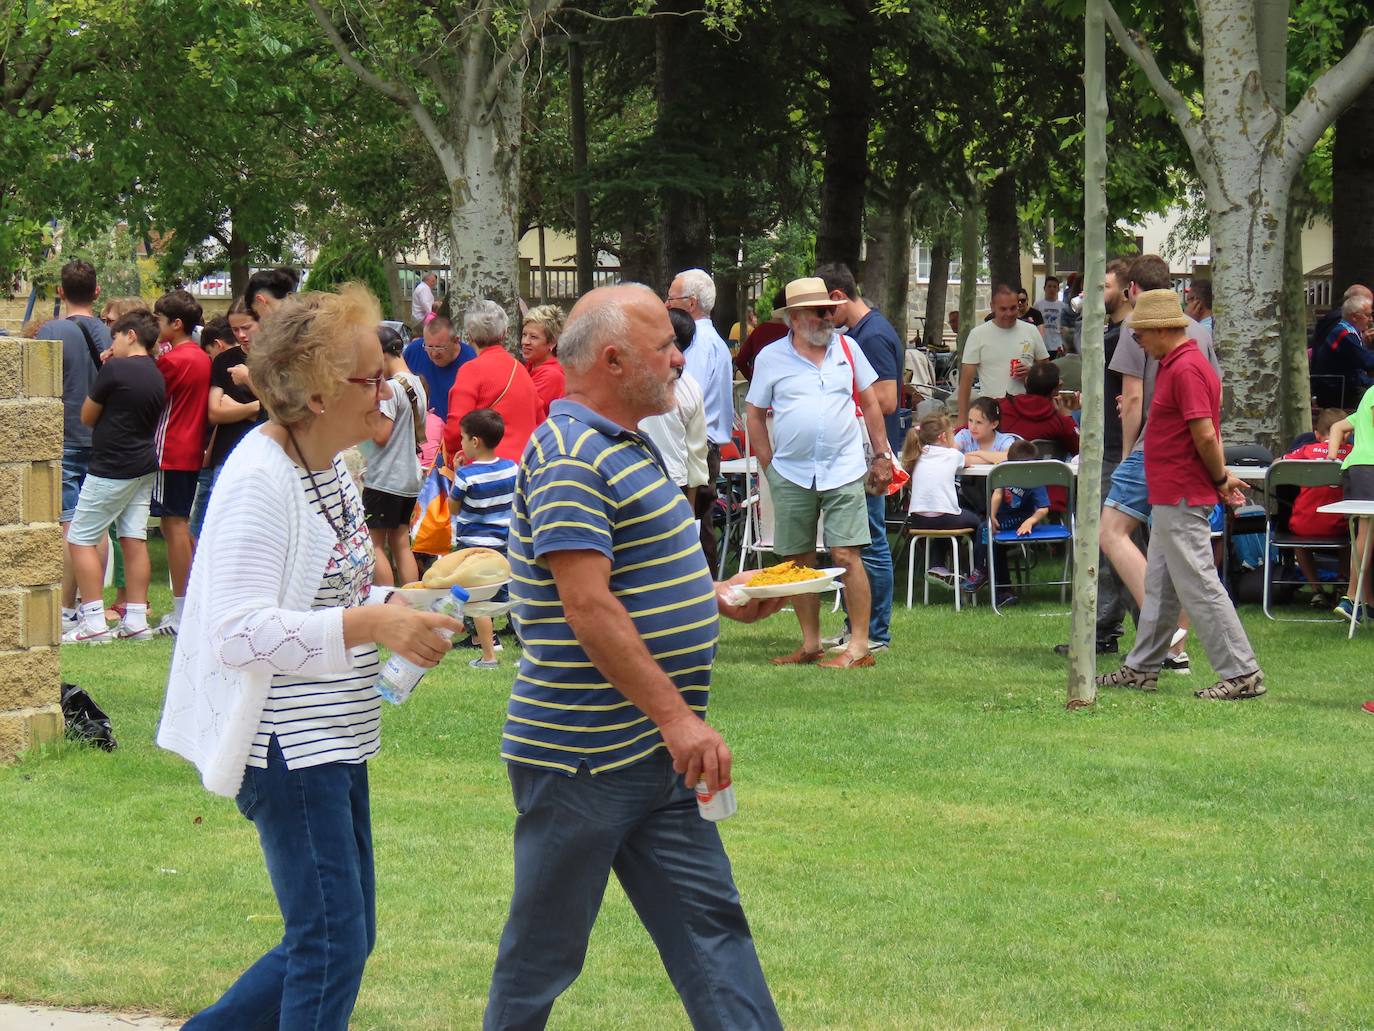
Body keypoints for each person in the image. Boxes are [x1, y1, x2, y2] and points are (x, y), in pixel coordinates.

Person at [157, 284, 464, 1031]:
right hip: (285, 746)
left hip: (334, 735)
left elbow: (334, 594)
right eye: (371, 376)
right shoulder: (261, 481)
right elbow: (237, 631)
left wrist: (399, 614)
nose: (388, 387)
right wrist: (370, 622)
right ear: (320, 394)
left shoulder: (329, 465)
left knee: (340, 938)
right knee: (330, 941)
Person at [484, 282, 785, 1030]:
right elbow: (587, 607)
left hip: (651, 755)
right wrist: (680, 719)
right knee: (543, 954)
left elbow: (626, 580)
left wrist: (715, 593)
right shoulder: (568, 454)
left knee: (712, 931)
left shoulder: (622, 442)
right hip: (583, 757)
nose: (681, 357)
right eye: (665, 347)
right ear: (615, 360)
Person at [1095, 289, 1265, 701]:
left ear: (1160, 329)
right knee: (1161, 587)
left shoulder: (1186, 368)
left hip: (1182, 491)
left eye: (1140, 334)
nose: (1136, 341)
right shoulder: (1178, 364)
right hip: (1171, 491)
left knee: (1199, 584)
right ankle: (1141, 667)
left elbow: (1205, 433)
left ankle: (1242, 672)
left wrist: (1220, 477)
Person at [745, 276, 893, 669]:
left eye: (830, 309)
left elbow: (872, 403)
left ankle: (859, 646)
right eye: (819, 311)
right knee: (798, 562)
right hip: (790, 472)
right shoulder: (771, 358)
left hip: (843, 469)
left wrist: (881, 455)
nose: (829, 316)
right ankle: (811, 644)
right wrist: (770, 467)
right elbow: (755, 416)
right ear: (795, 317)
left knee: (848, 554)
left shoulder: (849, 347)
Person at [1099, 254, 1218, 673]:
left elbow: (1133, 399)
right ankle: (1171, 648)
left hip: (1155, 446)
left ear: (1133, 289)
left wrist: (1129, 451)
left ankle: (1165, 634)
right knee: (1172, 551)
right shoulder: (1196, 331)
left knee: (1111, 531)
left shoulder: (1142, 328)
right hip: (1189, 451)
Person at [62, 310, 165, 645]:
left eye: (116, 337)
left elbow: (88, 416)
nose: (112, 344)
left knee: (80, 538)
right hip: (144, 464)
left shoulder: (116, 369)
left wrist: (107, 369)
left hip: (112, 465)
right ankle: (135, 619)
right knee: (133, 537)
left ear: (130, 335)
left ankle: (93, 622)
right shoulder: (155, 371)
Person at [817, 261, 904, 654]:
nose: (821, 317)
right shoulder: (863, 332)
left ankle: (875, 634)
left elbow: (885, 400)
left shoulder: (871, 337)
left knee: (870, 544)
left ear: (837, 297)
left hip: (869, 456)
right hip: (862, 454)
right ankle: (859, 627)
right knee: (859, 541)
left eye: (823, 308)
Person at [41, 260, 113, 632]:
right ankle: (91, 605)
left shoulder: (50, 332)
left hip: (64, 434)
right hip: (101, 437)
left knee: (70, 523)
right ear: (97, 292)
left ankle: (69, 608)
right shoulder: (112, 335)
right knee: (95, 525)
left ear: (60, 291)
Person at [666, 268, 735, 571]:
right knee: (700, 522)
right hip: (705, 445)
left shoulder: (695, 344)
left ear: (690, 303)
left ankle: (700, 589)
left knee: (693, 524)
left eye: (671, 299)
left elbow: (682, 397)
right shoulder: (714, 340)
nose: (666, 305)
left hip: (694, 446)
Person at [151, 288, 211, 636]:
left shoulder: (173, 361)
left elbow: (154, 399)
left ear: (176, 323)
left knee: (172, 527)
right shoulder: (201, 357)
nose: (155, 325)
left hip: (170, 449)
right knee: (178, 527)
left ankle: (181, 610)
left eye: (159, 319)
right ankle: (190, 605)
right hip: (190, 449)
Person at [193, 298, 266, 542]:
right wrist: (255, 408)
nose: (242, 335)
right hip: (227, 452)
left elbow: (280, 409)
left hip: (263, 455)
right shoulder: (224, 361)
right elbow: (214, 412)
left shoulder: (273, 360)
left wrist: (248, 380)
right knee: (217, 527)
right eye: (236, 330)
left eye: (247, 327)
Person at [449, 408, 517, 670]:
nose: (462, 443)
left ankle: (488, 655)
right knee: (511, 596)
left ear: (475, 442)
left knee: (479, 601)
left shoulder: (467, 476)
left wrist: (456, 474)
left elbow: (453, 508)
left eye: (463, 438)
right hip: (505, 544)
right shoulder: (512, 467)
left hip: (475, 548)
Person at [361, 325, 427, 587]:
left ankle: (387, 602)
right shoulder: (417, 384)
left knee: (374, 544)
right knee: (401, 543)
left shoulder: (391, 388)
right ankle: (410, 602)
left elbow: (381, 435)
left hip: (385, 477)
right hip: (409, 478)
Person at [443, 300, 541, 461]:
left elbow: (455, 431)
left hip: (486, 469)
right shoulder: (520, 369)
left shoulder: (470, 370)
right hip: (524, 466)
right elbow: (539, 419)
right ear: (504, 333)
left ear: (469, 335)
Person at [959, 440, 1051, 606]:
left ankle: (982, 570)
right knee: (989, 534)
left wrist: (1030, 521)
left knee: (984, 530)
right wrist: (991, 516)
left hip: (1022, 519)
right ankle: (1003, 591)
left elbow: (1043, 508)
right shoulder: (1005, 470)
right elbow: (998, 494)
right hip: (1003, 518)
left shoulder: (1034, 478)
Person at [1280, 407, 1352, 608]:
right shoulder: (1352, 452)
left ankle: (1316, 589)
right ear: (1347, 433)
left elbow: (1278, 465)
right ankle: (1342, 582)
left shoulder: (1306, 451)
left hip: (1305, 525)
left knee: (1299, 539)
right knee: (1354, 533)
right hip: (1340, 526)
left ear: (1317, 435)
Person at [638, 307, 710, 509]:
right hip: (675, 482)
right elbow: (696, 452)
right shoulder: (691, 387)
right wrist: (690, 511)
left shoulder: (633, 374)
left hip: (636, 479)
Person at [957, 283, 1050, 427]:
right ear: (992, 306)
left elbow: (1047, 370)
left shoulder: (1031, 330)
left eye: (1013, 308)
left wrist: (1031, 373)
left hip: (1026, 411)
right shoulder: (978, 334)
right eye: (1003, 309)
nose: (1009, 313)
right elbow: (965, 381)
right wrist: (962, 418)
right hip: (991, 412)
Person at [901, 413, 979, 585]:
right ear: (943, 437)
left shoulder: (917, 454)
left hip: (918, 519)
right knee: (977, 522)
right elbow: (967, 461)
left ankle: (937, 566)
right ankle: (979, 569)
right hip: (946, 517)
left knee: (947, 525)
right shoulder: (952, 454)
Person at [1328, 397, 1374, 624]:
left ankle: (1367, 603)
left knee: (1366, 535)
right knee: (1367, 533)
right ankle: (1352, 598)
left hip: (1359, 467)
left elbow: (1337, 427)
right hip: (1370, 466)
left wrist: (1331, 458)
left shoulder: (1367, 399)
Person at [402, 315, 475, 425]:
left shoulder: (470, 361)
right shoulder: (414, 351)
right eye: (429, 347)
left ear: (456, 341)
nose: (434, 353)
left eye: (440, 347)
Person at [998, 361, 1080, 455]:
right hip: (1043, 467)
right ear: (1055, 390)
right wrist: (1068, 416)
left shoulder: (1001, 405)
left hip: (1004, 465)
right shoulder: (1059, 420)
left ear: (1026, 381)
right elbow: (1078, 449)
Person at [1309, 292, 1374, 410]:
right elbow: (1367, 362)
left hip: (1346, 383)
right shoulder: (1344, 334)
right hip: (1338, 389)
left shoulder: (1346, 330)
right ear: (1354, 317)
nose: (1371, 319)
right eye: (1368, 315)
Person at [520, 303, 565, 415]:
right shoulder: (530, 366)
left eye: (533, 337)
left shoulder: (551, 376)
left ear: (552, 343)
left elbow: (523, 410)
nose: (525, 342)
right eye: (524, 335)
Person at [734, 288, 789, 381]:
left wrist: (753, 379)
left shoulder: (759, 330)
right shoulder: (792, 333)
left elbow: (740, 361)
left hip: (761, 383)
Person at [954, 397, 1018, 465]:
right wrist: (993, 459)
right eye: (970, 420)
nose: (972, 427)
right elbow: (949, 454)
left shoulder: (1004, 440)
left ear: (994, 424)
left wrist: (977, 453)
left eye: (979, 422)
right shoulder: (964, 435)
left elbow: (1009, 456)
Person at [1035, 276, 1064, 346]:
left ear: (1058, 289)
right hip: (1042, 344)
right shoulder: (1038, 305)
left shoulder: (1063, 306)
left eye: (1054, 287)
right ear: (1044, 288)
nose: (1052, 289)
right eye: (1049, 286)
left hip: (1057, 345)